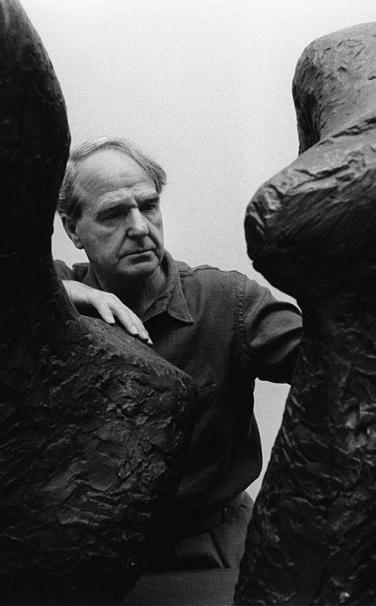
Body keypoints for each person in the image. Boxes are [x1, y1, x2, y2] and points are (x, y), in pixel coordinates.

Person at [54, 136, 302, 570]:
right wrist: (59, 293)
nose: (139, 227)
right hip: (87, 561)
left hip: (208, 552)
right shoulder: (50, 305)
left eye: (148, 206)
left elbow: (343, 359)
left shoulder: (228, 301)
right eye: (114, 213)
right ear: (73, 229)